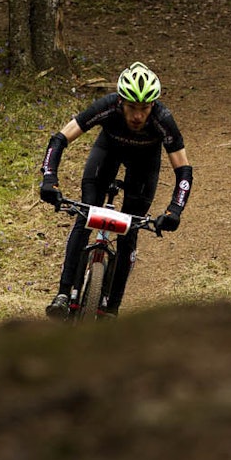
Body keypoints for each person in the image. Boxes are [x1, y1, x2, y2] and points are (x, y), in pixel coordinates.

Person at [38, 61, 192, 319]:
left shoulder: (162, 119)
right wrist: (49, 178)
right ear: (121, 101)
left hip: (144, 165)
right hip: (107, 153)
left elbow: (183, 170)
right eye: (132, 107)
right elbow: (60, 138)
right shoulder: (107, 106)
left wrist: (175, 210)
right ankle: (64, 294)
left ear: (153, 105)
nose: (137, 116)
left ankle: (112, 308)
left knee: (129, 231)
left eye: (144, 108)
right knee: (85, 216)